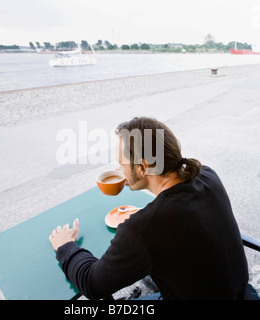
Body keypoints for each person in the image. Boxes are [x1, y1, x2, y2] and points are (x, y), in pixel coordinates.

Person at [49, 116, 249, 300]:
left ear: (142, 167)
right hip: (235, 291)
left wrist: (66, 246)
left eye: (122, 163)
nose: (119, 169)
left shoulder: (143, 230)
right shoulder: (207, 175)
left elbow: (92, 284)